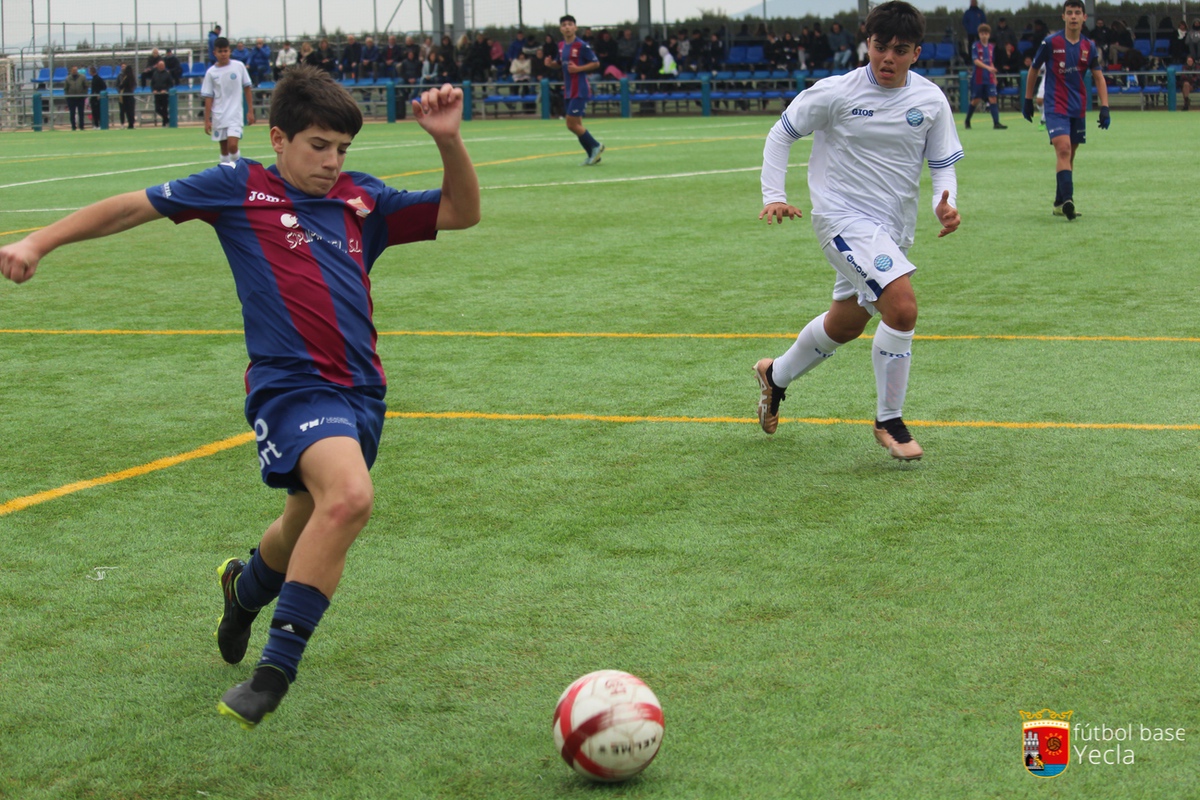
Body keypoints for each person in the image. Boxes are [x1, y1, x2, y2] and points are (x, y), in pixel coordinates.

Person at [0, 64, 480, 731]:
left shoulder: (360, 200)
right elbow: (132, 206)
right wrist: (39, 241)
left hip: (363, 393)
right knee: (349, 499)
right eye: (318, 146)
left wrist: (448, 141)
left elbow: (460, 212)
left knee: (303, 523)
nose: (331, 162)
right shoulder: (237, 186)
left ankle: (243, 589)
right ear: (277, 137)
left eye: (341, 149)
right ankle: (274, 672)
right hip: (290, 387)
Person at [754, 0, 962, 462]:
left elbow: (943, 163)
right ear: (867, 44)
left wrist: (944, 204)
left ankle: (776, 375)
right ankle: (890, 419)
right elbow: (781, 133)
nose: (887, 58)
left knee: (845, 324)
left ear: (917, 53)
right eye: (879, 46)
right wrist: (773, 194)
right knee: (902, 309)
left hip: (893, 229)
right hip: (842, 220)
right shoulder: (836, 92)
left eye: (899, 49)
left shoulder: (930, 100)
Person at [1023, 0, 1109, 221]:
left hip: (1077, 106)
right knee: (1063, 149)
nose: (1073, 16)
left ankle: (1059, 202)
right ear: (1063, 17)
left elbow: (1098, 76)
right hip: (1054, 106)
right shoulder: (1050, 42)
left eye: (1077, 13)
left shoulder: (1088, 46)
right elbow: (1033, 70)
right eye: (1069, 13)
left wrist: (1105, 107)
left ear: (1083, 17)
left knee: (1070, 155)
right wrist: (1028, 99)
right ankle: (1069, 200)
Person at [544, 15, 604, 166]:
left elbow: (596, 63)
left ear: (575, 27)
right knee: (577, 124)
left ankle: (596, 145)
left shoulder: (582, 45)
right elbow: (560, 63)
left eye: (570, 24)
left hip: (580, 89)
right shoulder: (561, 45)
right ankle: (592, 155)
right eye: (564, 25)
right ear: (561, 29)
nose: (567, 27)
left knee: (571, 124)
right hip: (568, 89)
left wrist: (579, 68)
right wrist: (551, 64)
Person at [203, 37, 256, 164]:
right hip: (219, 115)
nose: (223, 54)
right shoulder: (211, 73)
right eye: (220, 51)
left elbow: (247, 88)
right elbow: (208, 97)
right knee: (224, 149)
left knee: (232, 146)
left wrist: (250, 111)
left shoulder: (239, 66)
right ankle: (226, 175)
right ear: (214, 53)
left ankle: (239, 170)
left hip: (235, 115)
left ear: (230, 51)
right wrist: (206, 120)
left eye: (225, 51)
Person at [965, 23, 1007, 129]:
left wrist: (994, 76)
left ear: (989, 35)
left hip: (989, 78)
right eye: (982, 33)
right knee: (976, 100)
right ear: (979, 35)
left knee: (993, 98)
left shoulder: (991, 47)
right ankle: (967, 120)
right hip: (978, 77)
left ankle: (996, 123)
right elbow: (976, 61)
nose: (984, 35)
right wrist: (988, 68)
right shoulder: (975, 46)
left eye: (986, 33)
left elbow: (991, 62)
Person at [64, 65, 89, 131]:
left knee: (81, 113)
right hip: (71, 98)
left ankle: (81, 126)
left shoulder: (82, 77)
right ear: (71, 71)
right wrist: (67, 96)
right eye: (73, 70)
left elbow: (86, 86)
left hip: (80, 98)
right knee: (72, 113)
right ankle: (73, 126)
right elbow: (66, 88)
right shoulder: (68, 78)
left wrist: (84, 95)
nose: (75, 71)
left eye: (76, 70)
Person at [150, 60, 175, 126]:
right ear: (158, 66)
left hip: (164, 95)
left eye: (162, 65)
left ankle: (164, 123)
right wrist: (153, 90)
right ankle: (166, 119)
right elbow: (152, 84)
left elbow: (171, 84)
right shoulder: (155, 73)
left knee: (164, 109)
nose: (161, 67)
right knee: (157, 108)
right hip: (157, 95)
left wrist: (165, 90)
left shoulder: (167, 74)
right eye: (160, 65)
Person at [117, 63, 137, 129]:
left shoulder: (126, 77)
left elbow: (121, 85)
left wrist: (120, 86)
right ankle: (131, 123)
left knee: (127, 110)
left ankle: (129, 124)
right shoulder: (132, 77)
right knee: (131, 110)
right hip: (131, 94)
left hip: (125, 95)